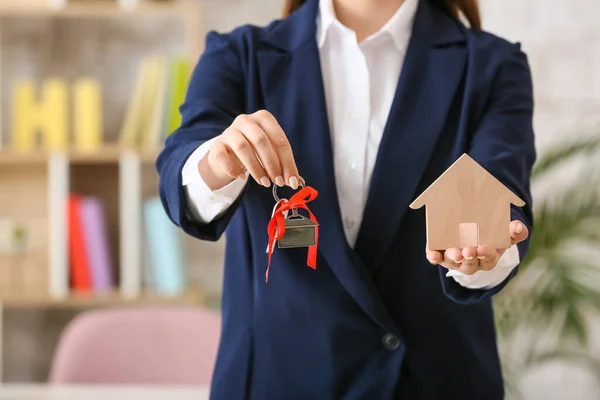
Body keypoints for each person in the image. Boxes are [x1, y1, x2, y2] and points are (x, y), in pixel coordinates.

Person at [156, 0, 535, 398]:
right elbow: (179, 173)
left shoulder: (493, 65)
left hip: (432, 381)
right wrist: (217, 161)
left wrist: (483, 256)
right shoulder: (238, 55)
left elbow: (504, 194)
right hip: (277, 381)